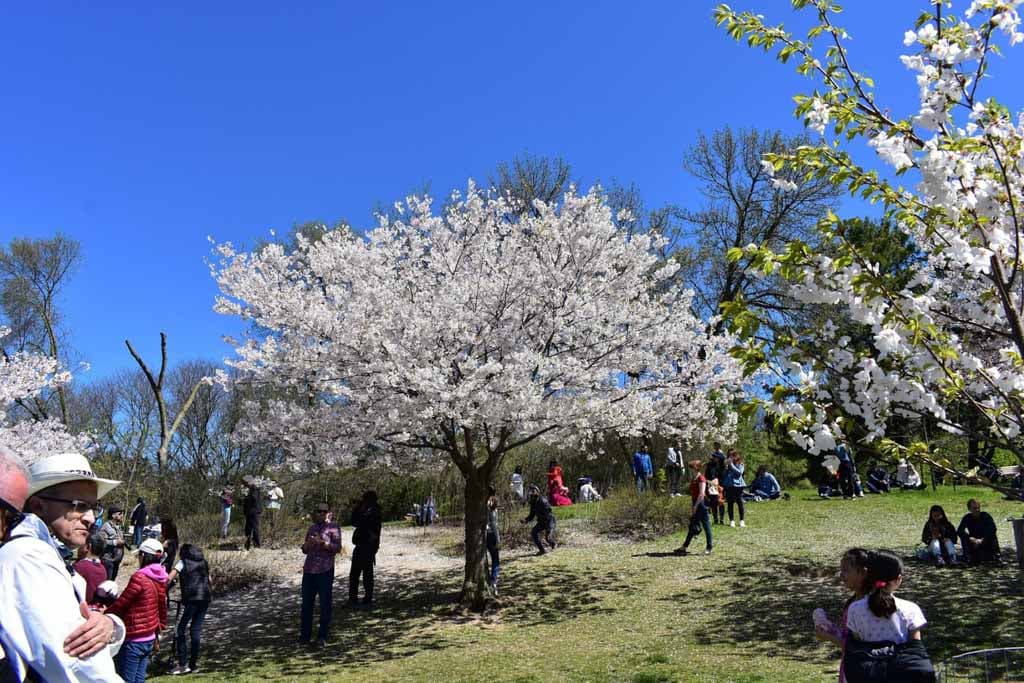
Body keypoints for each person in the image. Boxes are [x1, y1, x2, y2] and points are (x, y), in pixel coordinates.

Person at [0, 449, 127, 681]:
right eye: (78, 505)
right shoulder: (30, 557)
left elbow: (79, 634)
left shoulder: (45, 554)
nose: (90, 518)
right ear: (38, 506)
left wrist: (111, 625)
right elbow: (75, 663)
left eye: (93, 507)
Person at [843, 551, 935, 682]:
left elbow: (856, 646)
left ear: (869, 576)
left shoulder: (855, 609)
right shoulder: (911, 609)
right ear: (898, 579)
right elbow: (916, 650)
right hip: (901, 676)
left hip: (868, 675)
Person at [107, 538, 169, 683]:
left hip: (134, 637)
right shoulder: (160, 577)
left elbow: (123, 603)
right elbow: (162, 607)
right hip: (149, 636)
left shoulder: (139, 577)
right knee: (139, 677)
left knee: (126, 678)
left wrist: (105, 615)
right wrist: (159, 630)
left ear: (143, 556)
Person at [813, 547, 870, 683]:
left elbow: (859, 647)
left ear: (863, 573)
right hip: (849, 666)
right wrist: (832, 629)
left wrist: (830, 637)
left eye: (846, 570)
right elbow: (849, 637)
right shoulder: (854, 601)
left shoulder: (866, 607)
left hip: (862, 670)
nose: (841, 575)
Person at [300, 502, 342, 646]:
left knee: (325, 604)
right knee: (306, 604)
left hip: (325, 569)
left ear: (328, 513)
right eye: (318, 511)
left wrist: (323, 543)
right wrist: (309, 544)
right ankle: (304, 637)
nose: (321, 514)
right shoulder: (311, 528)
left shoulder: (334, 527)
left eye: (324, 511)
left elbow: (337, 548)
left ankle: (322, 636)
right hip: (309, 570)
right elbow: (304, 549)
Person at [167, 544, 212, 675]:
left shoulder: (182, 562)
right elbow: (209, 580)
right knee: (195, 630)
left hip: (190, 600)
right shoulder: (204, 562)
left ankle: (182, 664)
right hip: (205, 599)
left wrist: (164, 589)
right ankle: (193, 664)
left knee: (179, 630)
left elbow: (169, 577)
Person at [349, 491, 382, 609]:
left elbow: (361, 523)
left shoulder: (373, 511)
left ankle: (366, 599)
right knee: (355, 574)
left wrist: (359, 509)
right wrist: (358, 509)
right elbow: (354, 522)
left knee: (365, 574)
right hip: (362, 545)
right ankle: (354, 598)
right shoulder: (369, 510)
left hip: (367, 545)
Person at [678, 459, 712, 555]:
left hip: (701, 504)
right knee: (693, 525)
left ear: (696, 468)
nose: (690, 469)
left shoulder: (701, 478)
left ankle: (709, 547)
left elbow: (701, 494)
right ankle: (684, 546)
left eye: (692, 467)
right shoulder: (694, 478)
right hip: (695, 503)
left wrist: (696, 506)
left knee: (706, 526)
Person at [957, 499, 1000, 565]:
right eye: (974, 508)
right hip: (973, 542)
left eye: (978, 508)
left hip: (985, 540)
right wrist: (970, 538)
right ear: (969, 509)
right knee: (964, 537)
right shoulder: (967, 518)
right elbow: (960, 531)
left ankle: (996, 555)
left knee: (993, 535)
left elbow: (993, 529)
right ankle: (967, 557)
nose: (977, 510)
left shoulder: (985, 516)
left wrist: (982, 540)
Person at [73, 529, 109, 604]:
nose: (78, 549)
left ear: (87, 547)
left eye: (80, 546)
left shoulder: (80, 567)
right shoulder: (103, 568)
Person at [522, 485, 556, 555]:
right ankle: (542, 550)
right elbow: (531, 515)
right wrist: (525, 520)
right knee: (533, 532)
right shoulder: (533, 503)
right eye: (531, 492)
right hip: (541, 522)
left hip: (549, 522)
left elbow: (549, 514)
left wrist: (548, 528)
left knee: (548, 538)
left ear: (538, 492)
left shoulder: (544, 502)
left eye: (533, 491)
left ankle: (553, 545)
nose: (532, 493)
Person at [100, 504, 127, 580]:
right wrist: (115, 542)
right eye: (120, 514)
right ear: (113, 515)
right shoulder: (106, 526)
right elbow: (101, 541)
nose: (122, 516)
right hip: (108, 560)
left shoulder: (120, 527)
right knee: (107, 582)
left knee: (112, 581)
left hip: (116, 560)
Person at [721, 449, 747, 528]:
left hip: (738, 486)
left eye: (732, 456)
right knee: (730, 503)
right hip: (729, 485)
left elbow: (739, 473)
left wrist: (731, 465)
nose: (731, 457)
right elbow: (723, 475)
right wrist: (725, 468)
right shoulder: (728, 465)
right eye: (729, 456)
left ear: (736, 456)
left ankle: (742, 520)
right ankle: (732, 520)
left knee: (740, 502)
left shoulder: (740, 464)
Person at [486, 487, 500, 595]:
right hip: (491, 535)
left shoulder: (481, 504)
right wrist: (498, 539)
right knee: (495, 560)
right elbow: (494, 525)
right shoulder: (492, 505)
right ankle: (493, 581)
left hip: (483, 535)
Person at [243, 483, 263, 550]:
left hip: (254, 512)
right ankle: (247, 545)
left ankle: (256, 545)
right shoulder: (252, 490)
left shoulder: (254, 489)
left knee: (254, 529)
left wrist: (246, 498)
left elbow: (253, 498)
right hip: (250, 512)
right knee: (248, 529)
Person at [705, 460, 724, 524]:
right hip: (712, 487)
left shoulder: (719, 467)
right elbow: (706, 478)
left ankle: (720, 519)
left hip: (718, 486)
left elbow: (721, 476)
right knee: (715, 503)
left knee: (719, 503)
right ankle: (717, 519)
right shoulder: (710, 467)